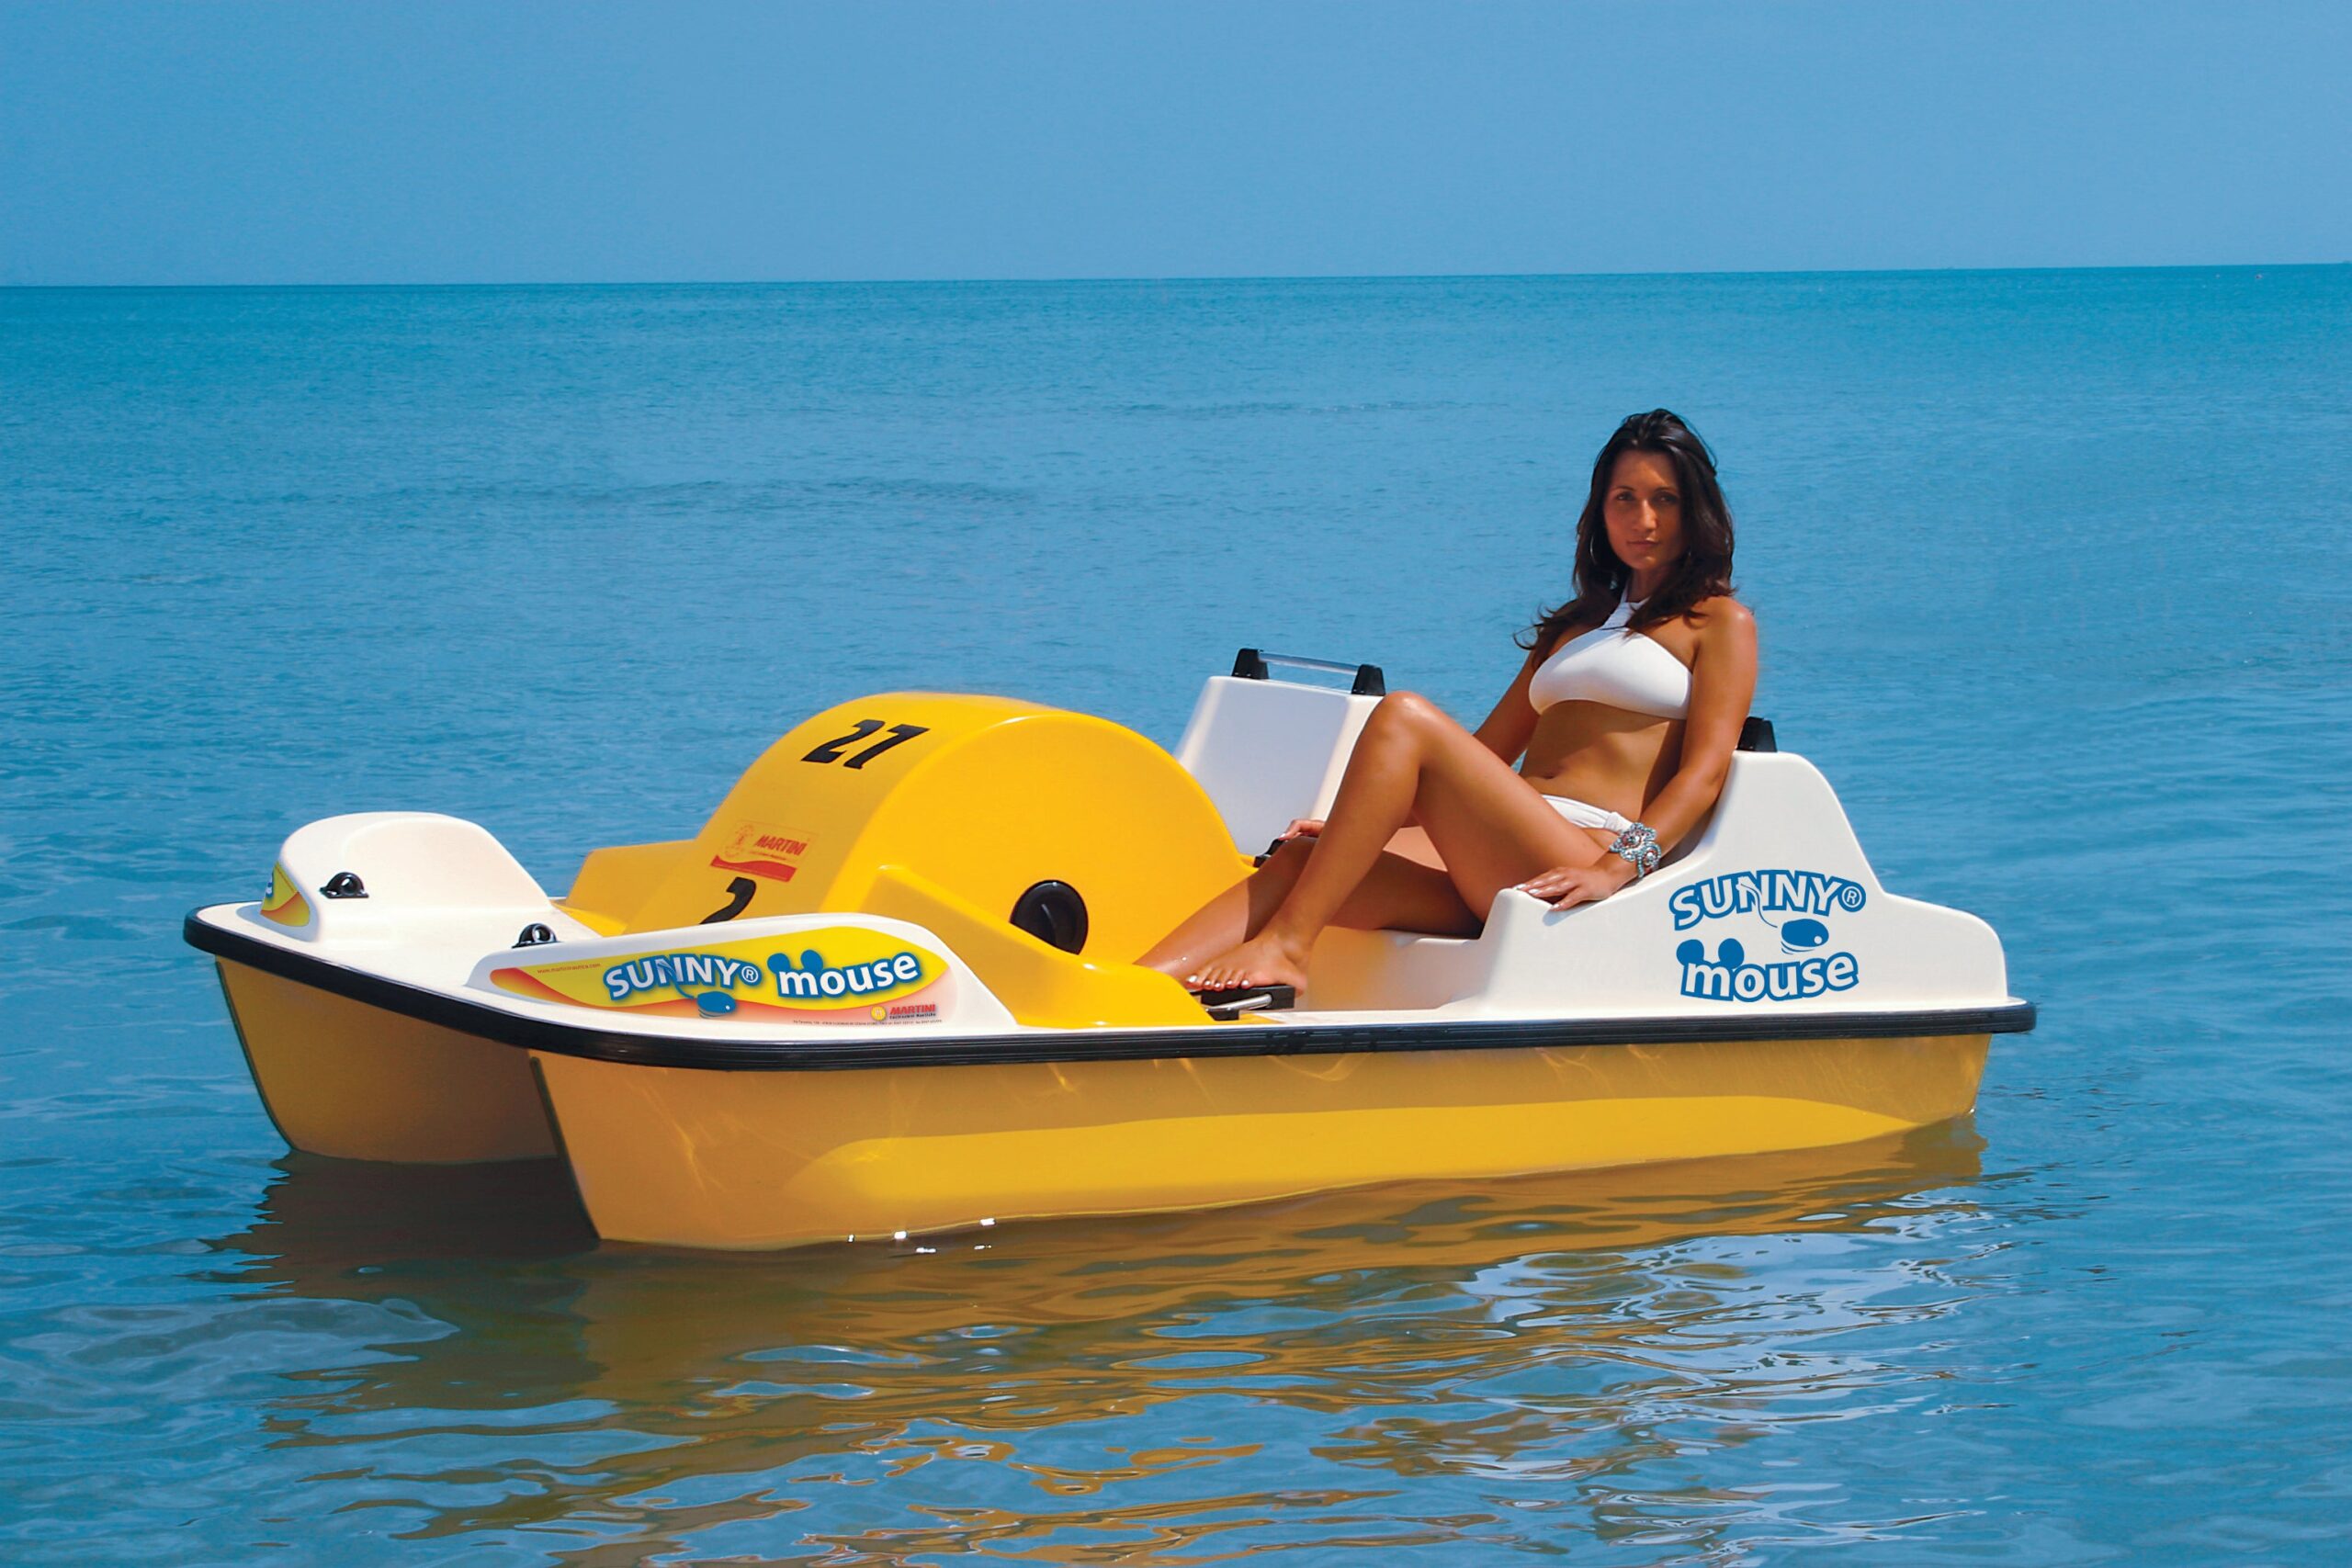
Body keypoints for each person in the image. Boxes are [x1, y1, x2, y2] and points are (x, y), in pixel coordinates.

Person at [1141, 408, 1758, 996]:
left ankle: (1288, 949)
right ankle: (1134, 988)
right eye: (1625, 498)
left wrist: (1614, 869)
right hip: (1502, 850)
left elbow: (1703, 774)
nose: (1644, 519)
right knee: (1306, 858)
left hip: (1587, 850)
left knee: (1404, 717)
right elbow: (1483, 756)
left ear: (1694, 510)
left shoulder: (1718, 623)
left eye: (1664, 499)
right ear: (1601, 509)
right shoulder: (1575, 627)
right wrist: (1356, 826)